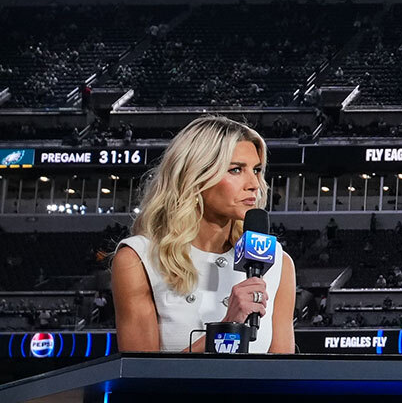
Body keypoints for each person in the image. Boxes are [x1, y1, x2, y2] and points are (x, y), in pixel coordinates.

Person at [111, 115, 295, 353]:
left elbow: (282, 375)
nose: (255, 184)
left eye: (257, 170)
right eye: (236, 170)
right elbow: (140, 378)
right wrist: (229, 327)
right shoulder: (139, 259)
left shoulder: (277, 261)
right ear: (195, 177)